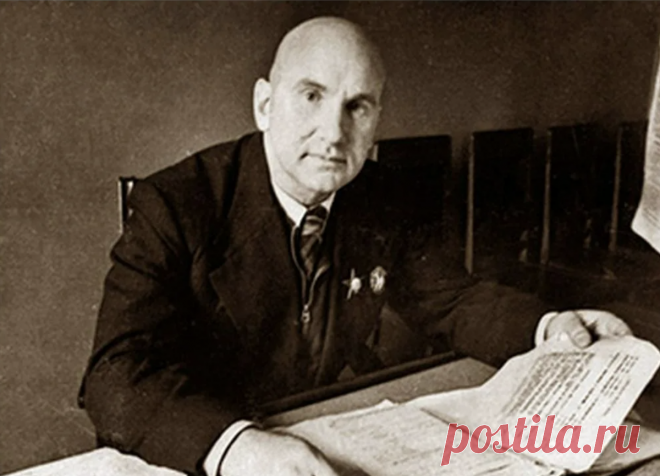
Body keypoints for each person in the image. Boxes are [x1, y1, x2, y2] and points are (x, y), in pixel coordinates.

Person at [79, 16, 632, 476]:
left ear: (377, 124)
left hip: (320, 435)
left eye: (357, 106)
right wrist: (237, 447)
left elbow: (452, 300)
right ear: (265, 104)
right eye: (311, 96)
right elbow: (112, 375)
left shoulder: (382, 196)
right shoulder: (177, 203)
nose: (333, 133)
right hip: (203, 450)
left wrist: (551, 327)